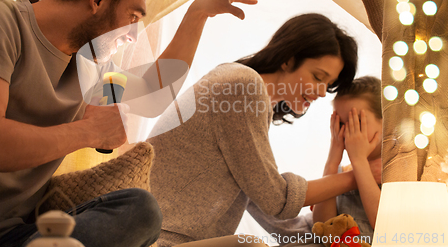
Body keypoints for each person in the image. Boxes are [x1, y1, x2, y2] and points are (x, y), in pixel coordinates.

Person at [0, 0, 273, 247]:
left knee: (140, 210)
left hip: (14, 235)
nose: (133, 36)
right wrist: (87, 131)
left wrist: (198, 13)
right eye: (133, 17)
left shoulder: (88, 66)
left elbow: (155, 88)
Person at [147, 13, 382, 247]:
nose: (322, 92)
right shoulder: (243, 86)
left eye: (328, 85)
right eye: (318, 77)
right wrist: (360, 174)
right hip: (160, 237)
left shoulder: (250, 95)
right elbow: (276, 199)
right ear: (288, 59)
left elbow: (268, 203)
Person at [312, 76, 382, 243]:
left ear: (384, 120)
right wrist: (332, 160)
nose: (347, 132)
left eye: (356, 123)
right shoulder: (341, 173)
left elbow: (382, 224)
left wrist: (359, 161)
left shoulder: (394, 168)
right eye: (341, 124)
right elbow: (322, 227)